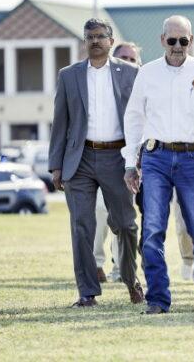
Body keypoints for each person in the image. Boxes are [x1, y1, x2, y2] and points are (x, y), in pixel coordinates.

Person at [122, 15, 194, 314]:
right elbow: (133, 118)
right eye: (171, 40)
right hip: (155, 157)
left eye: (183, 40)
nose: (177, 46)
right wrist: (130, 163)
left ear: (191, 41)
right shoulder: (147, 73)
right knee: (153, 229)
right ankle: (158, 299)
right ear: (162, 41)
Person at [48, 18, 143, 307]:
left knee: (126, 225)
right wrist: (56, 164)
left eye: (101, 36)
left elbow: (141, 117)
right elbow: (60, 121)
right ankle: (87, 292)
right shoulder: (69, 75)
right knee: (81, 225)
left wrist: (139, 159)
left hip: (118, 157)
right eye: (90, 37)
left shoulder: (132, 73)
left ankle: (131, 280)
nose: (95, 41)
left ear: (111, 41)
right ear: (85, 41)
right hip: (80, 159)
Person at [93, 42, 143, 284]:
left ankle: (123, 268)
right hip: (112, 158)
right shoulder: (105, 86)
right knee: (106, 211)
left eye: (132, 59)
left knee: (131, 219)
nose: (127, 62)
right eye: (122, 57)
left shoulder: (145, 85)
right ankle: (99, 262)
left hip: (144, 160)